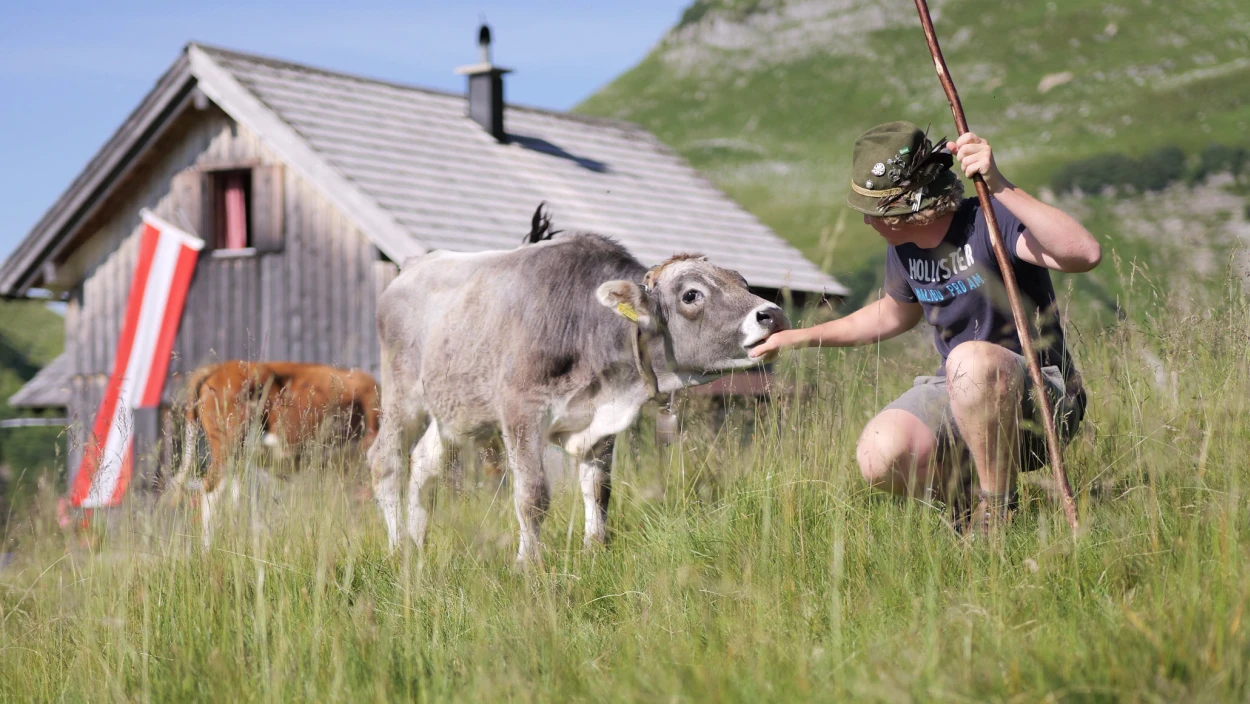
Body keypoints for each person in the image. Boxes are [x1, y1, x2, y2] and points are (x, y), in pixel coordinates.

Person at [750, 121, 1101, 534]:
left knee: (968, 360)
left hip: (1042, 395)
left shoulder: (990, 219)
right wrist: (799, 338)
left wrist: (999, 184)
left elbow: (1084, 254)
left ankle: (999, 514)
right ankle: (966, 509)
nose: (868, 223)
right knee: (879, 454)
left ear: (906, 210)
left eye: (874, 212)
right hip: (961, 392)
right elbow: (893, 313)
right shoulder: (903, 249)